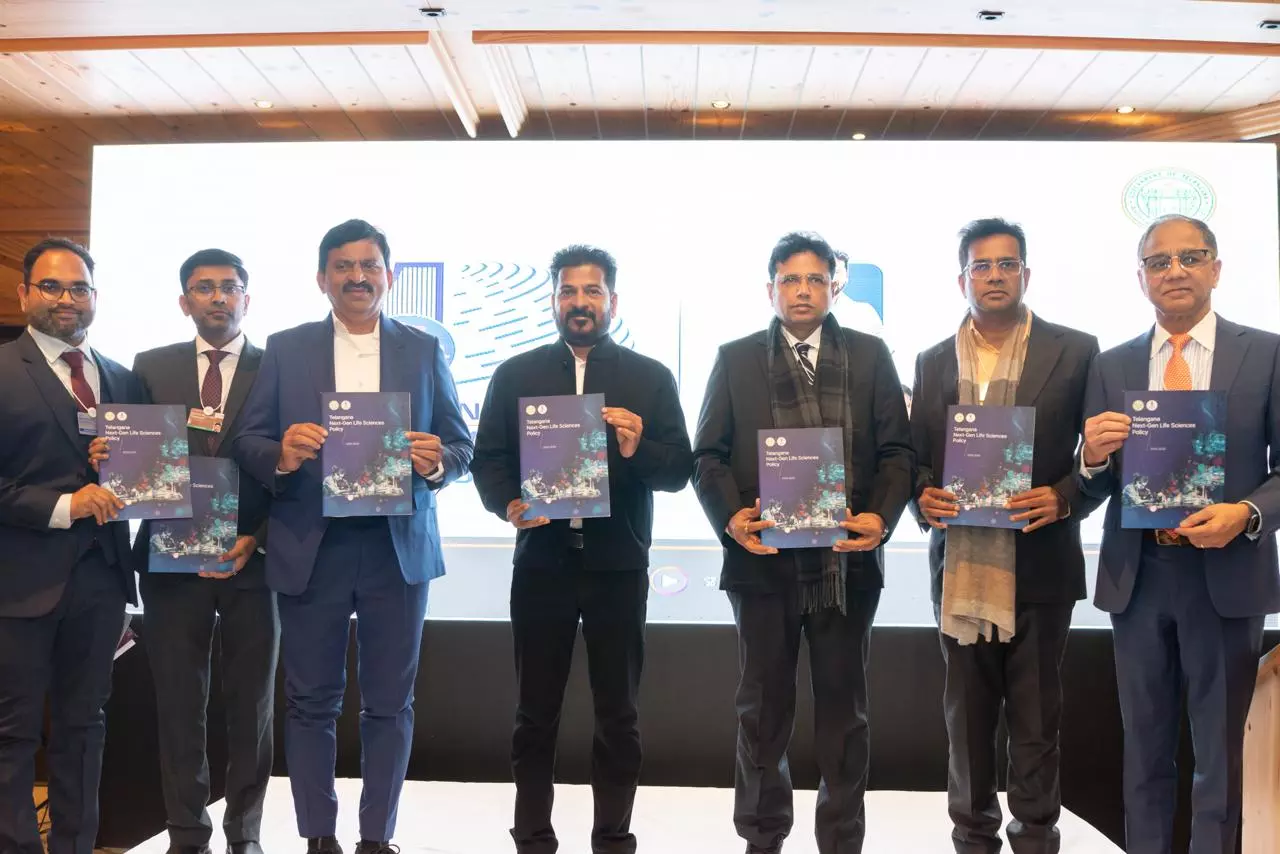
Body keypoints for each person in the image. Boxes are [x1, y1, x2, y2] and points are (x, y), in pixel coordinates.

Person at [233, 220, 474, 854]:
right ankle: (319, 836)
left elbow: (461, 444)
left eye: (369, 265)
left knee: (390, 702)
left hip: (397, 548)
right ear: (322, 278)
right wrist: (282, 454)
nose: (357, 277)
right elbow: (249, 441)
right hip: (313, 545)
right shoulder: (285, 348)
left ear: (389, 276)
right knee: (310, 701)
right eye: (343, 266)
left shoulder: (423, 349)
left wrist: (438, 462)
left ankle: (376, 839)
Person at [692, 231, 913, 854]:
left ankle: (841, 841)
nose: (803, 291)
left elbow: (898, 452)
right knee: (762, 713)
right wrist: (732, 519)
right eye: (790, 279)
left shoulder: (871, 355)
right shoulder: (735, 359)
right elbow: (707, 456)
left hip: (846, 565)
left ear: (834, 288)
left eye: (816, 279)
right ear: (771, 289)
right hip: (762, 566)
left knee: (845, 715)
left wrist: (881, 519)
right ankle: (762, 837)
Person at [471, 244, 692, 854]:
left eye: (592, 291)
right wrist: (507, 504)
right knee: (533, 714)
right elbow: (489, 459)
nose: (579, 302)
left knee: (619, 714)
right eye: (568, 291)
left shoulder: (649, 377)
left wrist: (638, 447)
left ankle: (613, 838)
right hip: (541, 565)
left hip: (618, 567)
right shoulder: (515, 374)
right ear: (552, 301)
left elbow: (679, 469)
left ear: (612, 301)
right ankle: (532, 838)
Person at [1077, 214, 1280, 854]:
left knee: (1218, 757)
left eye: (1190, 258)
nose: (1175, 271)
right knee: (1144, 752)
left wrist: (1245, 513)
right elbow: (1094, 486)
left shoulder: (1267, 354)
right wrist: (1091, 457)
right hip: (1140, 577)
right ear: (1141, 278)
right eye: (1159, 261)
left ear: (1216, 269)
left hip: (1226, 574)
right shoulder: (1111, 365)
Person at [909, 218, 1100, 853]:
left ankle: (1037, 837)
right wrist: (921, 494)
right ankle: (972, 838)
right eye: (982, 266)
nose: (995, 276)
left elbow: (1102, 458)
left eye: (1007, 264)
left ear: (1026, 273)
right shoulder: (932, 360)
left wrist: (1066, 495)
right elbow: (914, 460)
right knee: (966, 723)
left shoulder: (1076, 351)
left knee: (1037, 723)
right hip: (959, 571)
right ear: (962, 279)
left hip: (1041, 564)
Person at [91, 249, 277, 854]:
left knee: (253, 707)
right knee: (178, 705)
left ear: (246, 298)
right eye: (204, 287)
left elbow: (295, 470)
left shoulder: (277, 367)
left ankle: (245, 834)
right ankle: (187, 834)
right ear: (184, 301)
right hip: (170, 560)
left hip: (254, 561)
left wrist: (261, 537)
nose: (218, 297)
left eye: (229, 286)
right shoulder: (151, 366)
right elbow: (131, 449)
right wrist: (108, 456)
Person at [0, 238, 143, 854]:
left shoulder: (121, 378)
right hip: (18, 584)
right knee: (12, 732)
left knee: (84, 728)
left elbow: (145, 478)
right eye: (52, 286)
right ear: (24, 294)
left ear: (95, 297)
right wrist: (64, 506)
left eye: (79, 287)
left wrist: (133, 474)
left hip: (102, 581)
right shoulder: (3, 370)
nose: (67, 298)